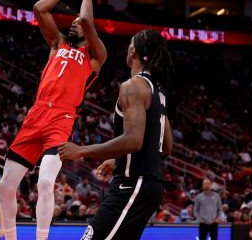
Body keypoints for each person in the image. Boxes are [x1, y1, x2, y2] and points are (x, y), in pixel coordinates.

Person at [0, 0, 108, 240]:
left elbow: (84, 18)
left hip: (61, 119)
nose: (74, 24)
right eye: (70, 22)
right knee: (5, 185)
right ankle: (10, 237)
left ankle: (42, 238)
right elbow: (39, 8)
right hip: (36, 114)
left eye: (78, 24)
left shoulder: (95, 57)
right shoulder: (57, 44)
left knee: (46, 182)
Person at [58, 28, 174, 240]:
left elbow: (133, 140)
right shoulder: (158, 89)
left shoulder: (133, 86)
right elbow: (165, 145)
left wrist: (81, 151)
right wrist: (118, 159)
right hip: (149, 185)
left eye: (130, 43)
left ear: (134, 52)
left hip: (134, 184)